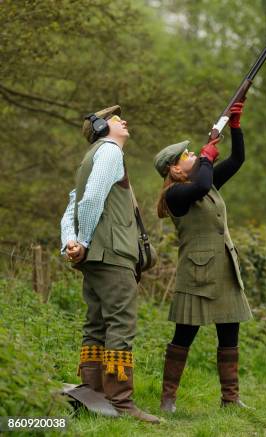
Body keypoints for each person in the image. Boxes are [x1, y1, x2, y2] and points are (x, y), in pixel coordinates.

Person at [60, 105, 159, 423]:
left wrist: (71, 243)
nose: (123, 122)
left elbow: (70, 208)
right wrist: (85, 241)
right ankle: (120, 403)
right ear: (102, 126)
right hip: (113, 255)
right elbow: (90, 200)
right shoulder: (110, 152)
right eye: (117, 119)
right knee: (120, 323)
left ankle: (92, 397)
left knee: (96, 324)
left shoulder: (88, 159)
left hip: (96, 257)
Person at [154, 101, 252, 412]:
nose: (193, 155)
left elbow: (237, 160)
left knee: (230, 333)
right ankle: (168, 399)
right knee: (183, 335)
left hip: (224, 267)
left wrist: (234, 127)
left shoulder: (203, 184)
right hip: (196, 273)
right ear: (174, 169)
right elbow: (202, 185)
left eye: (194, 153)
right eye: (187, 156)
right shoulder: (175, 195)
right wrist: (207, 157)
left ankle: (230, 399)